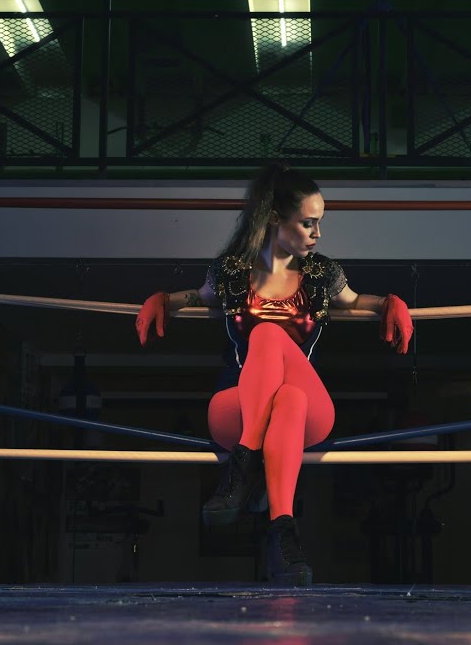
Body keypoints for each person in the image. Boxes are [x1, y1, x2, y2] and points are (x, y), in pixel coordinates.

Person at [134, 163, 413, 586]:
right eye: (308, 223)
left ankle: (241, 468)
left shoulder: (321, 274)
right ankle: (283, 534)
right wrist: (163, 300)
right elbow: (199, 296)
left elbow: (357, 301)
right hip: (237, 408)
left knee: (272, 345)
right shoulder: (230, 271)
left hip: (311, 417)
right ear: (273, 219)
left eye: (319, 222)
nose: (317, 233)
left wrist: (390, 302)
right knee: (288, 396)